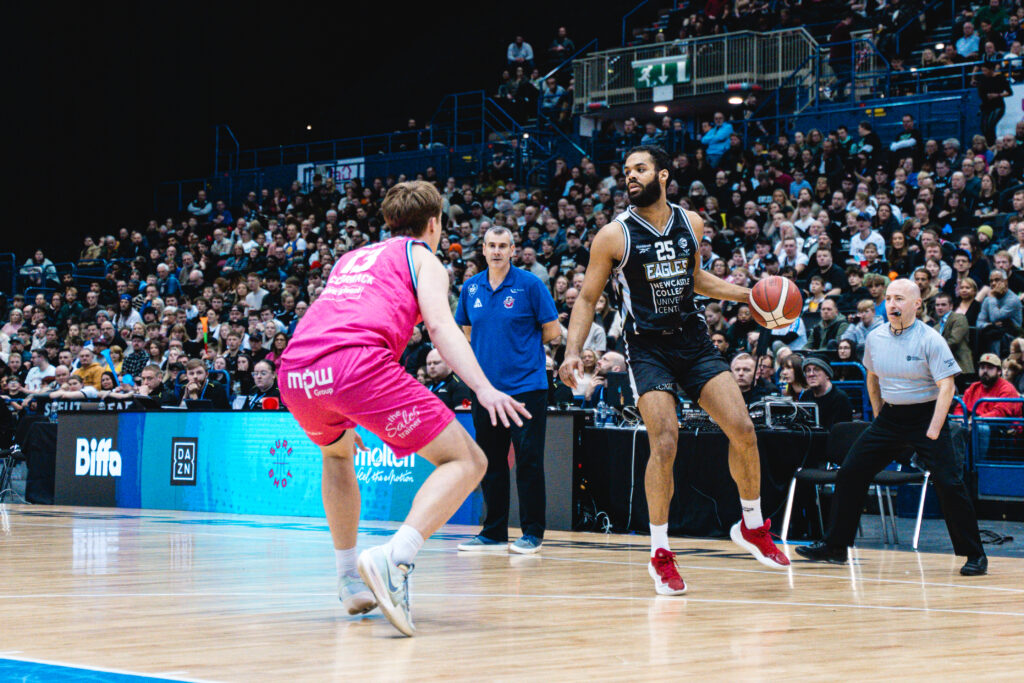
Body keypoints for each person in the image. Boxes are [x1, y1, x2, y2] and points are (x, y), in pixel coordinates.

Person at [278, 181, 528, 637]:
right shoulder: (423, 258)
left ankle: (349, 577)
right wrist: (484, 387)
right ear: (434, 224)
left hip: (296, 370)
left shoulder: (351, 258)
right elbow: (439, 325)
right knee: (469, 460)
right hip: (353, 366)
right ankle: (395, 558)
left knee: (336, 454)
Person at [559, 145, 790, 598]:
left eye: (640, 169)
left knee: (743, 428)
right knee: (665, 440)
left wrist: (751, 297)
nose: (630, 176)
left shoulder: (692, 222)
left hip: (693, 340)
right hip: (647, 348)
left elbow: (696, 278)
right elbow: (587, 298)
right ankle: (661, 553)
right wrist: (572, 351)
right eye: (626, 170)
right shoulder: (613, 235)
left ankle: (751, 525)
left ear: (663, 175)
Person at [797, 279, 988, 576]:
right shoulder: (875, 337)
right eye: (888, 298)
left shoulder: (930, 339)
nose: (892, 304)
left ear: (917, 305)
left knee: (949, 483)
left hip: (927, 416)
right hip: (890, 417)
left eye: (899, 298)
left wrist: (935, 430)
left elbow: (947, 386)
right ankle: (835, 547)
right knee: (850, 472)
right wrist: (878, 414)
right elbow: (872, 377)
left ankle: (974, 555)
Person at [455, 226, 560, 554]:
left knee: (528, 461)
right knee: (490, 461)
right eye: (491, 246)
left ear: (513, 250)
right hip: (485, 391)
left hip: (526, 389)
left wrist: (519, 352)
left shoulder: (530, 285)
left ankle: (532, 533)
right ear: (483, 250)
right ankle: (493, 531)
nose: (497, 251)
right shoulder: (470, 287)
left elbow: (552, 330)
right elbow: (466, 331)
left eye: (503, 246)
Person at [798, 357, 853, 428]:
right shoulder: (806, 396)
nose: (811, 374)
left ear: (827, 375)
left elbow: (839, 433)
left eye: (816, 370)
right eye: (808, 370)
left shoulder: (840, 398)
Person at [932, 292, 974, 375]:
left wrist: (934, 351)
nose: (940, 308)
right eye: (937, 305)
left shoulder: (959, 318)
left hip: (960, 366)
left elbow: (954, 341)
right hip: (942, 369)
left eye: (943, 305)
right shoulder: (936, 327)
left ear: (951, 306)